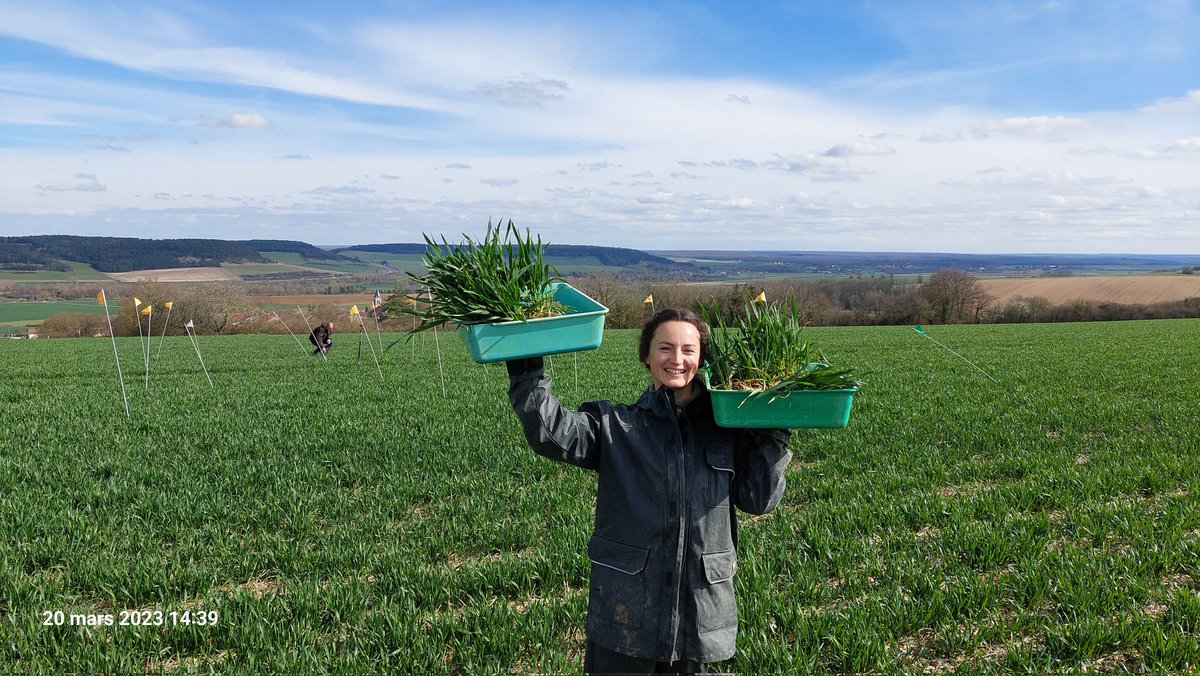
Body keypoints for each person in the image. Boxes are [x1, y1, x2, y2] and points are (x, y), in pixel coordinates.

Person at [506, 308, 792, 674]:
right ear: (646, 355)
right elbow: (550, 432)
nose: (677, 359)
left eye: (688, 349)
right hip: (626, 620)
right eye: (665, 348)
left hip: (699, 620)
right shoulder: (615, 426)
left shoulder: (727, 431)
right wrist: (526, 368)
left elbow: (759, 499)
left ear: (701, 357)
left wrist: (776, 428)